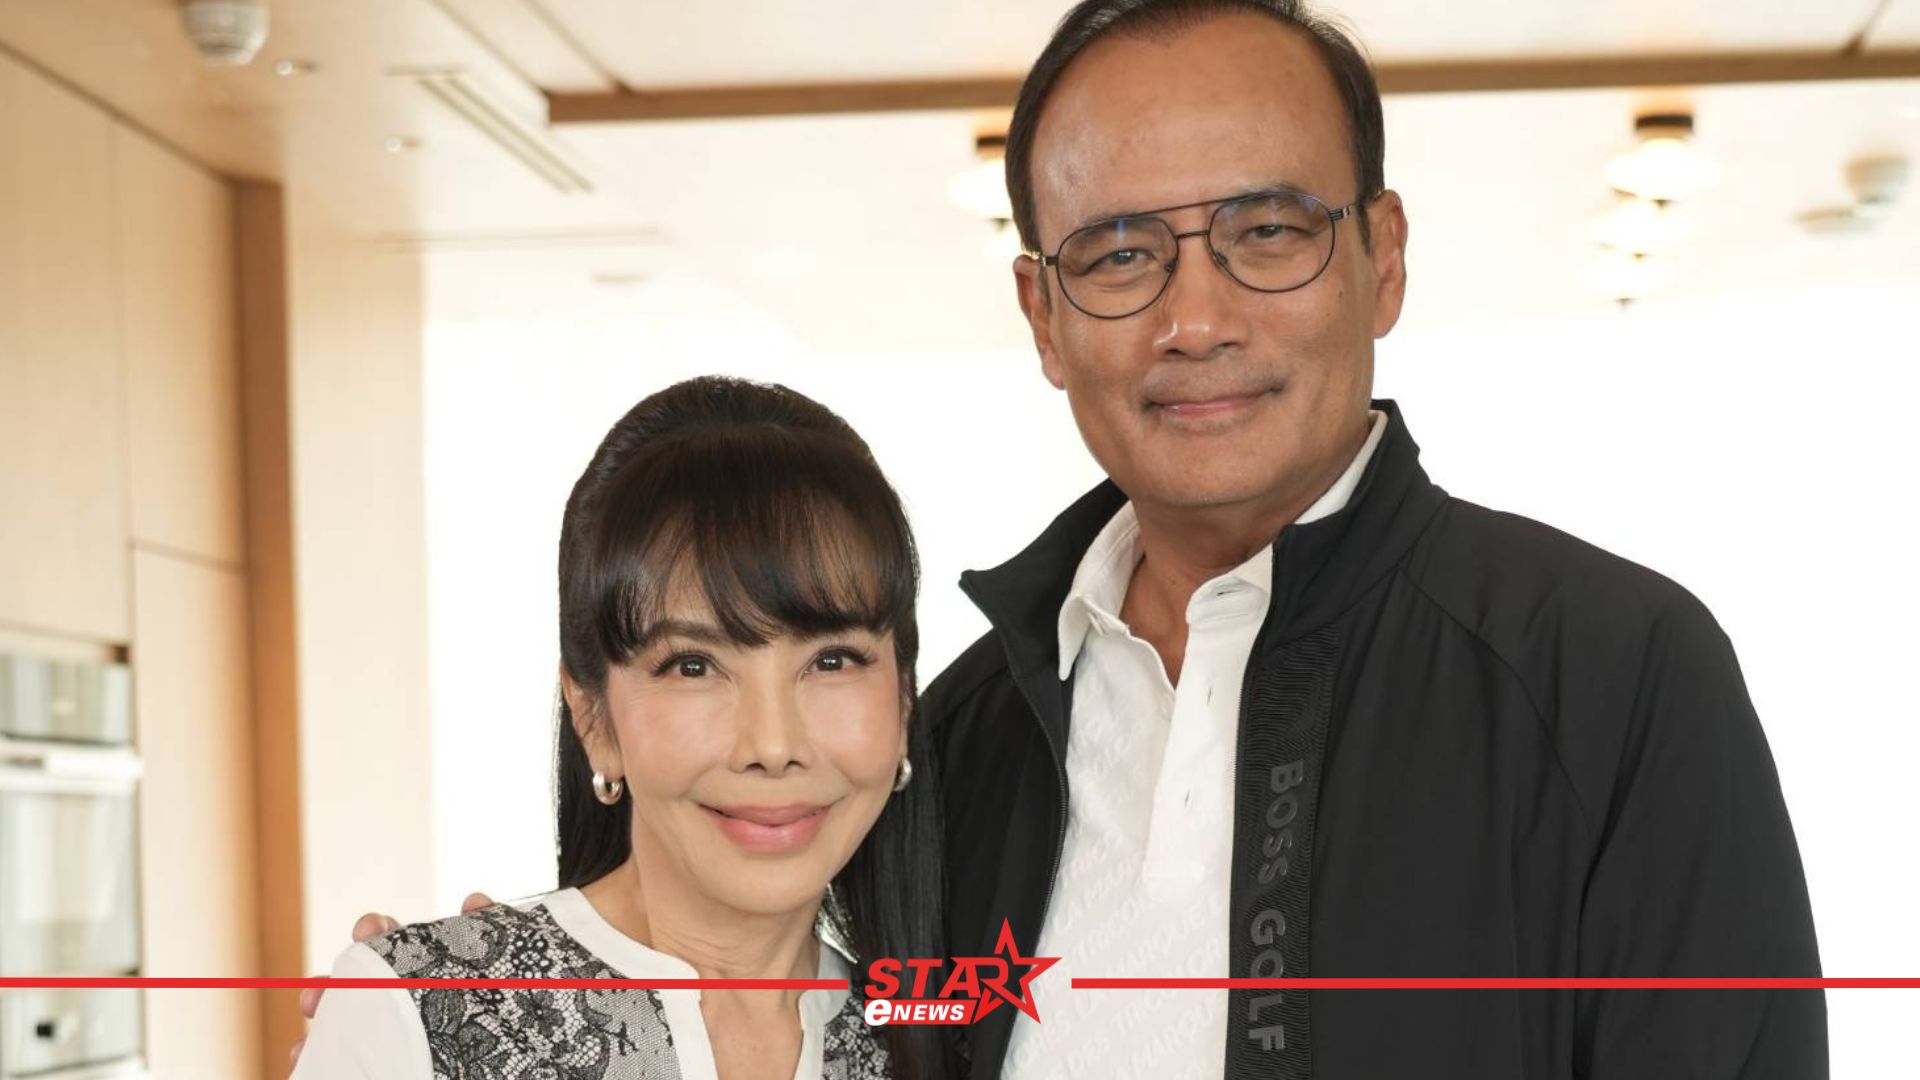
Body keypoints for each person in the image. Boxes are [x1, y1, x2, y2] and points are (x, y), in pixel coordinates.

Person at [303, 1, 1826, 1078]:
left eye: (1269, 230)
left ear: (1382, 256)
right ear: (1042, 312)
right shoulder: (968, 739)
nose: (1196, 316)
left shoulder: (1611, 677)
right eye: (1119, 252)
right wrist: (486, 999)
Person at [291, 377, 947, 1080]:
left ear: (904, 697)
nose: (773, 745)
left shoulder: (941, 1042)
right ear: (592, 716)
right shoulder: (424, 1011)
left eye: (832, 660)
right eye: (693, 666)